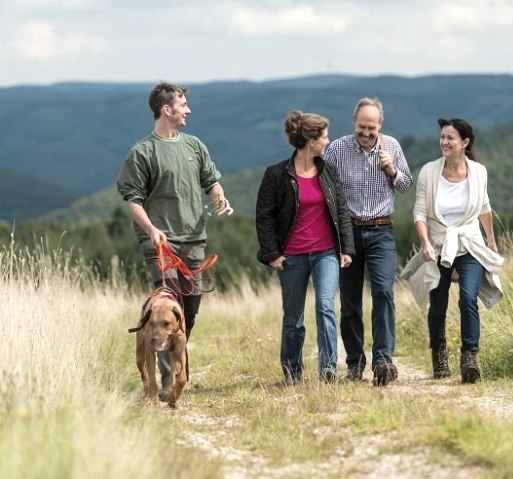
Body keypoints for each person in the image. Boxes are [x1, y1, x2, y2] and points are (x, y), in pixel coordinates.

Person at [117, 81, 233, 399]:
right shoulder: (142, 152)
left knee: (189, 311)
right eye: (183, 105)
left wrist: (220, 198)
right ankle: (169, 383)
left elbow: (212, 181)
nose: (188, 110)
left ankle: (176, 366)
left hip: (195, 241)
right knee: (167, 307)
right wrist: (152, 229)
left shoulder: (195, 146)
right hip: (160, 245)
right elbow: (133, 200)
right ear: (166, 110)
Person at [256, 110, 355, 384]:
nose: (328, 141)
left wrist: (346, 248)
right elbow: (264, 217)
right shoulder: (276, 175)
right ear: (311, 140)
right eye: (324, 136)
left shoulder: (328, 171)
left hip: (326, 252)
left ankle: (328, 370)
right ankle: (291, 371)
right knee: (293, 317)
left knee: (325, 306)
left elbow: (342, 211)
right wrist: (272, 253)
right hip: (292, 256)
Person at [402, 118, 504, 383]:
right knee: (438, 305)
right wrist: (425, 244)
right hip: (437, 246)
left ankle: (469, 357)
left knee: (468, 298)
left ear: (465, 143)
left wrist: (490, 240)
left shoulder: (479, 172)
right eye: (442, 137)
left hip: (469, 243)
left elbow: (484, 206)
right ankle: (439, 357)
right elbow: (420, 212)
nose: (444, 142)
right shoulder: (429, 172)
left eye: (450, 138)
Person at [324, 97, 413, 386]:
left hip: (381, 231)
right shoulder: (337, 149)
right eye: (362, 126)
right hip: (347, 232)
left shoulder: (393, 147)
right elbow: (324, 188)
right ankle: (354, 363)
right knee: (350, 302)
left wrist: (391, 169)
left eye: (371, 127)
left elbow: (405, 185)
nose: (366, 132)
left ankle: (383, 360)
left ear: (380, 126)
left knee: (384, 294)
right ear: (354, 123)